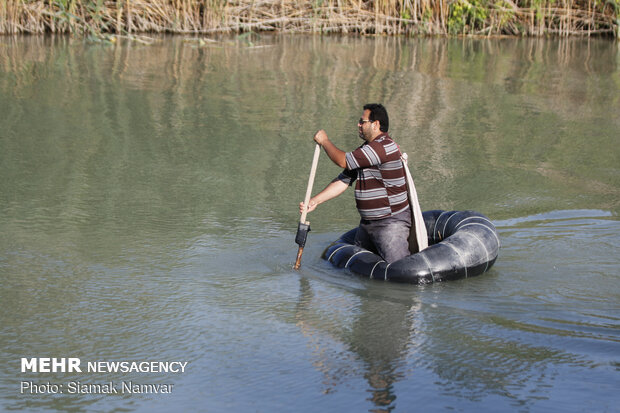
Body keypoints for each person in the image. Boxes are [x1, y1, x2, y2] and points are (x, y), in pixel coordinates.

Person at [299, 103, 411, 263]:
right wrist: (315, 201)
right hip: (368, 224)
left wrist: (325, 141)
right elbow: (343, 180)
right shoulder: (367, 149)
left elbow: (343, 161)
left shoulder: (383, 147)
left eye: (362, 121)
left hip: (390, 223)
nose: (358, 125)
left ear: (376, 124)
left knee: (399, 269)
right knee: (355, 267)